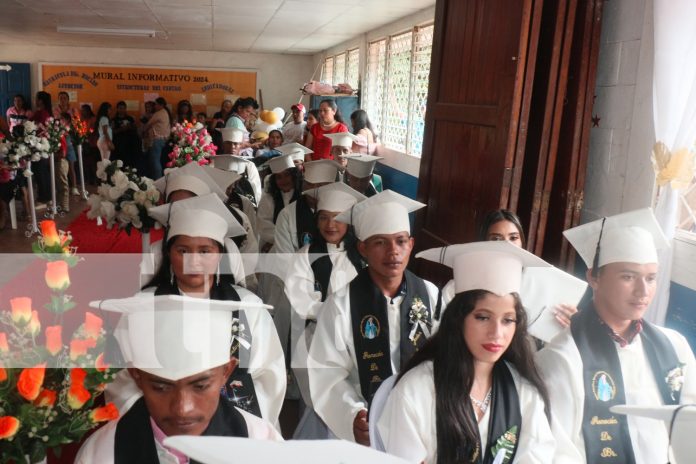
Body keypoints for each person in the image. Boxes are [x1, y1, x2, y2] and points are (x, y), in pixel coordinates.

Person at [535, 208, 696, 464]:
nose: (643, 291)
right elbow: (558, 453)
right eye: (628, 277)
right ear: (594, 277)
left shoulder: (675, 347)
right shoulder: (562, 360)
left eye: (651, 278)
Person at [378, 241, 556, 463]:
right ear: (458, 318)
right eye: (483, 317)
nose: (496, 333)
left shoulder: (524, 391)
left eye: (508, 320)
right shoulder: (418, 388)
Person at [75, 294, 283, 463]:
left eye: (200, 386)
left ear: (226, 372)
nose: (182, 408)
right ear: (136, 376)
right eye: (161, 387)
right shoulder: (101, 455)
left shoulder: (264, 446)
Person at [308, 190, 441, 444]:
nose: (393, 251)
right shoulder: (341, 305)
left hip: (423, 422)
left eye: (401, 241)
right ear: (363, 248)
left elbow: (445, 361)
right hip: (366, 425)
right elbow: (327, 374)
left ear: (411, 244)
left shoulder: (430, 296)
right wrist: (352, 414)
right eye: (380, 242)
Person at [285, 182, 367, 438]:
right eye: (323, 218)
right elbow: (300, 299)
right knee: (316, 402)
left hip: (356, 343)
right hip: (316, 341)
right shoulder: (306, 255)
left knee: (350, 403)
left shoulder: (362, 257)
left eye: (337, 218)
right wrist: (336, 313)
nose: (330, 225)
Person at [273, 158, 340, 254]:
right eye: (309, 184)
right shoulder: (287, 215)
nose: (314, 190)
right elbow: (284, 258)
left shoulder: (345, 213)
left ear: (333, 187)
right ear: (303, 185)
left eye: (321, 185)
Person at [256, 154, 303, 252]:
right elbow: (263, 225)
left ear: (294, 176)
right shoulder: (268, 198)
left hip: (301, 245)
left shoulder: (303, 196)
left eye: (287, 175)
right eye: (279, 177)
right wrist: (285, 241)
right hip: (274, 245)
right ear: (274, 180)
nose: (283, 180)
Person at [30, 91, 52, 206]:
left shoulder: (42, 113)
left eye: (36, 98)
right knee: (42, 172)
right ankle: (46, 197)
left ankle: (43, 199)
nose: (35, 100)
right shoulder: (45, 112)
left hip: (40, 145)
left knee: (41, 172)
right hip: (41, 144)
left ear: (41, 101)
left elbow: (39, 129)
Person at [142, 97, 171, 179]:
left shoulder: (159, 113)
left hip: (157, 140)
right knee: (155, 161)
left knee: (155, 162)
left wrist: (143, 130)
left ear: (160, 105)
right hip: (161, 140)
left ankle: (157, 180)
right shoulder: (165, 112)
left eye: (155, 104)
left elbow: (147, 125)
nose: (154, 106)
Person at [112, 101, 141, 169]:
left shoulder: (130, 118)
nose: (122, 110)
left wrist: (129, 127)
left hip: (129, 144)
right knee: (119, 161)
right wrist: (121, 129)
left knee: (129, 160)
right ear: (117, 109)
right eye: (120, 108)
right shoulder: (114, 119)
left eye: (123, 108)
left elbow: (135, 128)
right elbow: (113, 132)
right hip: (118, 144)